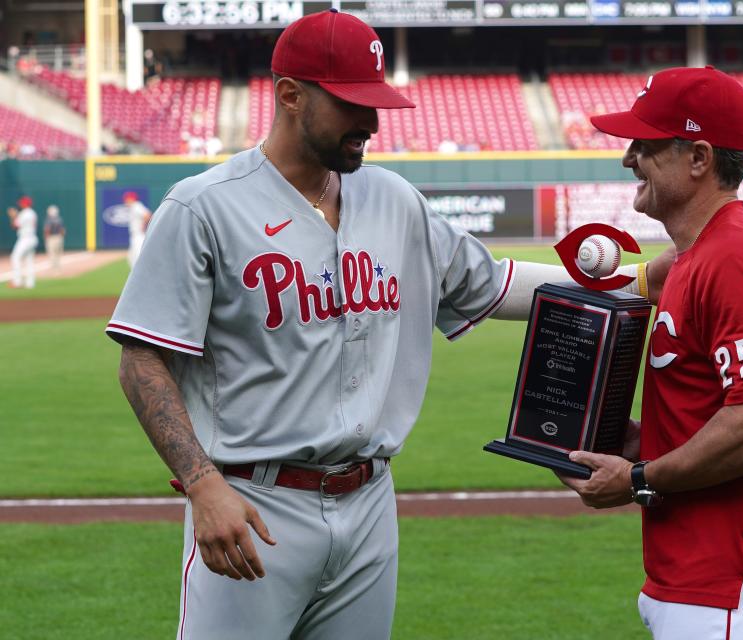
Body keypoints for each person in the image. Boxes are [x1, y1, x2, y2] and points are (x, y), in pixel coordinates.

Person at [106, 10, 673, 640]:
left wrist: (639, 284)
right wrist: (200, 482)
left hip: (370, 500)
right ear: (290, 95)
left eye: (376, 102)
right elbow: (140, 359)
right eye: (352, 103)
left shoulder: (393, 199)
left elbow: (491, 282)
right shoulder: (203, 207)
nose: (372, 122)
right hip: (251, 504)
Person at [557, 66, 743, 640]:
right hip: (701, 578)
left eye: (646, 144)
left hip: (733, 584)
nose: (629, 158)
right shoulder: (693, 257)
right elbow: (713, 411)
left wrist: (638, 477)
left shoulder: (735, 260)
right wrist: (634, 442)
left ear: (699, 157)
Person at [7, 195, 38, 288]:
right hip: (32, 238)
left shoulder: (25, 213)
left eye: (21, 203)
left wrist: (13, 216)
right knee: (29, 261)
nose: (20, 204)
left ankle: (17, 281)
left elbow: (15, 226)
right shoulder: (32, 213)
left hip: (25, 238)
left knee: (15, 257)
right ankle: (30, 284)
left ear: (25, 204)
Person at [121, 191, 151, 267]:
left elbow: (147, 215)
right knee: (131, 258)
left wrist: (143, 226)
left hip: (139, 236)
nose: (125, 201)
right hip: (136, 236)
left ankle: (142, 275)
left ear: (131, 199)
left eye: (127, 199)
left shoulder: (136, 206)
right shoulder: (134, 207)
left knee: (138, 257)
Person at [43, 204, 65, 273]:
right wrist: (61, 237)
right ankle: (58, 268)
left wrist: (46, 237)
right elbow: (63, 230)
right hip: (59, 237)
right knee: (58, 253)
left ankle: (54, 269)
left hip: (51, 238)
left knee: (52, 253)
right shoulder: (59, 219)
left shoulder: (49, 220)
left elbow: (47, 229)